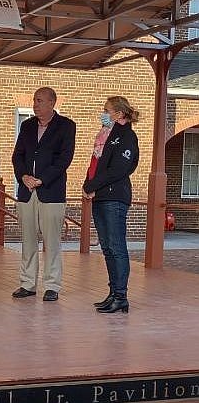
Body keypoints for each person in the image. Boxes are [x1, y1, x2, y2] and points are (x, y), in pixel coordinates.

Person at [11, 87, 76, 302]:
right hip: (27, 191)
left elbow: (64, 159)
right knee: (28, 240)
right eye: (34, 100)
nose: (35, 104)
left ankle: (52, 285)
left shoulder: (66, 126)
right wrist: (24, 177)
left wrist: (42, 179)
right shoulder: (27, 125)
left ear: (52, 103)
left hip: (51, 192)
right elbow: (17, 155)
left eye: (39, 100)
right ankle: (27, 283)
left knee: (52, 242)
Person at [83, 96, 139, 314]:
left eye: (106, 110)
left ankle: (121, 296)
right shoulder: (105, 136)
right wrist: (87, 184)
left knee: (116, 247)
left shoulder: (126, 136)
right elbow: (96, 165)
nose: (103, 113)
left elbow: (119, 168)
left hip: (115, 197)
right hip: (100, 196)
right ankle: (113, 292)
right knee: (106, 248)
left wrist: (93, 184)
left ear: (119, 114)